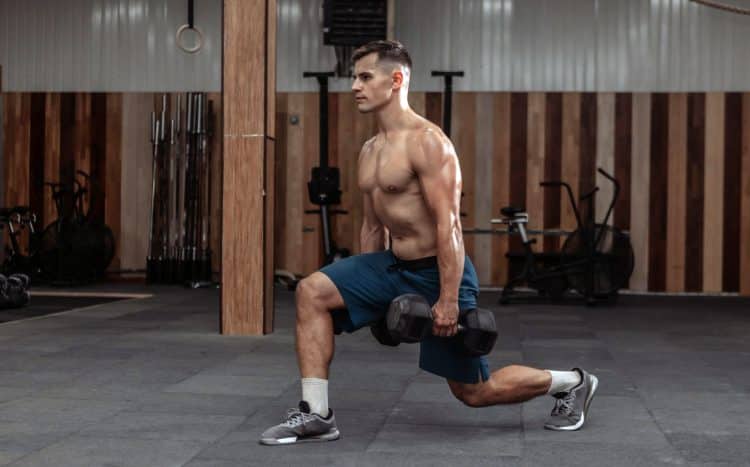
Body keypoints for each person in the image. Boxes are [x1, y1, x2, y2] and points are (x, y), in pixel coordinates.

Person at [260, 40, 598, 446]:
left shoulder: (428, 142)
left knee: (474, 391)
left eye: (365, 77)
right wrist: (371, 301)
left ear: (396, 80)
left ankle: (571, 383)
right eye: (354, 78)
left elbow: (449, 225)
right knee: (311, 290)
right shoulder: (370, 150)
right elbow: (371, 227)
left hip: (438, 272)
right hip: (393, 266)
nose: (355, 86)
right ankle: (316, 414)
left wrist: (450, 298)